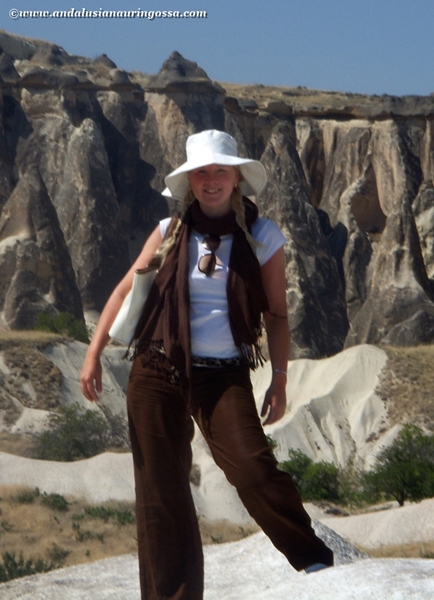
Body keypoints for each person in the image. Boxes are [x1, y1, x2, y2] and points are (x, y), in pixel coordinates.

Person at [80, 130, 333, 600]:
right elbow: (123, 291)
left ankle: (314, 558)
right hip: (157, 369)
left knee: (254, 470)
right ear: (190, 181)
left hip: (223, 373)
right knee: (161, 496)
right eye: (201, 172)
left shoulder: (262, 236)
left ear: (236, 178)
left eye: (220, 171)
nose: (211, 180)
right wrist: (93, 354)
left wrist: (279, 379)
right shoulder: (169, 232)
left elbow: (277, 315)